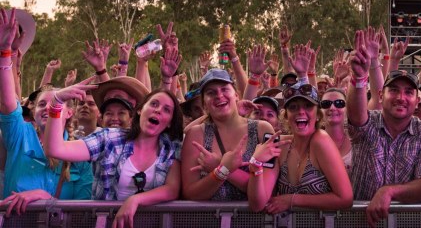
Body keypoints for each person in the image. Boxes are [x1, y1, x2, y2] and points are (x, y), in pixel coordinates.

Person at [43, 86, 184, 228]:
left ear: (170, 121)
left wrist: (135, 200)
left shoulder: (171, 148)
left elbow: (172, 189)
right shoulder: (109, 138)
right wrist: (57, 102)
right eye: (154, 104)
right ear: (140, 110)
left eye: (167, 110)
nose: (158, 110)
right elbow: (55, 149)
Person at [0, 8, 92, 215]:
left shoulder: (80, 152)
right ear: (32, 111)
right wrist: (6, 53)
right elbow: (7, 103)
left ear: (69, 113)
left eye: (55, 104)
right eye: (42, 104)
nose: (48, 109)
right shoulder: (20, 134)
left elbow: (83, 211)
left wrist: (44, 197)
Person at [347, 30, 421, 227]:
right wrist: (358, 78)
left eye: (409, 92)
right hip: (360, 223)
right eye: (394, 90)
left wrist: (388, 191)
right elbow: (355, 116)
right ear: (381, 95)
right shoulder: (369, 123)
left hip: (409, 224)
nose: (401, 97)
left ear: (417, 102)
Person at [247, 83, 352, 214]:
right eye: (293, 107)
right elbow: (257, 205)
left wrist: (292, 200)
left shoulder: (321, 140)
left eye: (308, 106)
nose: (301, 111)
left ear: (318, 115)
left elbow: (346, 198)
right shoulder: (280, 145)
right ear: (286, 116)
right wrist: (256, 165)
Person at [181, 69, 274, 201]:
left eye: (224, 89)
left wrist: (220, 167)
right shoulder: (196, 134)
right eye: (211, 93)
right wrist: (220, 173)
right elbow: (190, 193)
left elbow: (266, 190)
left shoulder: (262, 129)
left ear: (236, 95)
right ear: (204, 104)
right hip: (205, 220)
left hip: (254, 221)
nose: (219, 95)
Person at [321, 88, 352, 173]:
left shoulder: (357, 138)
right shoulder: (314, 139)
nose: (332, 108)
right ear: (320, 110)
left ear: (347, 108)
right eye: (326, 104)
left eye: (339, 103)